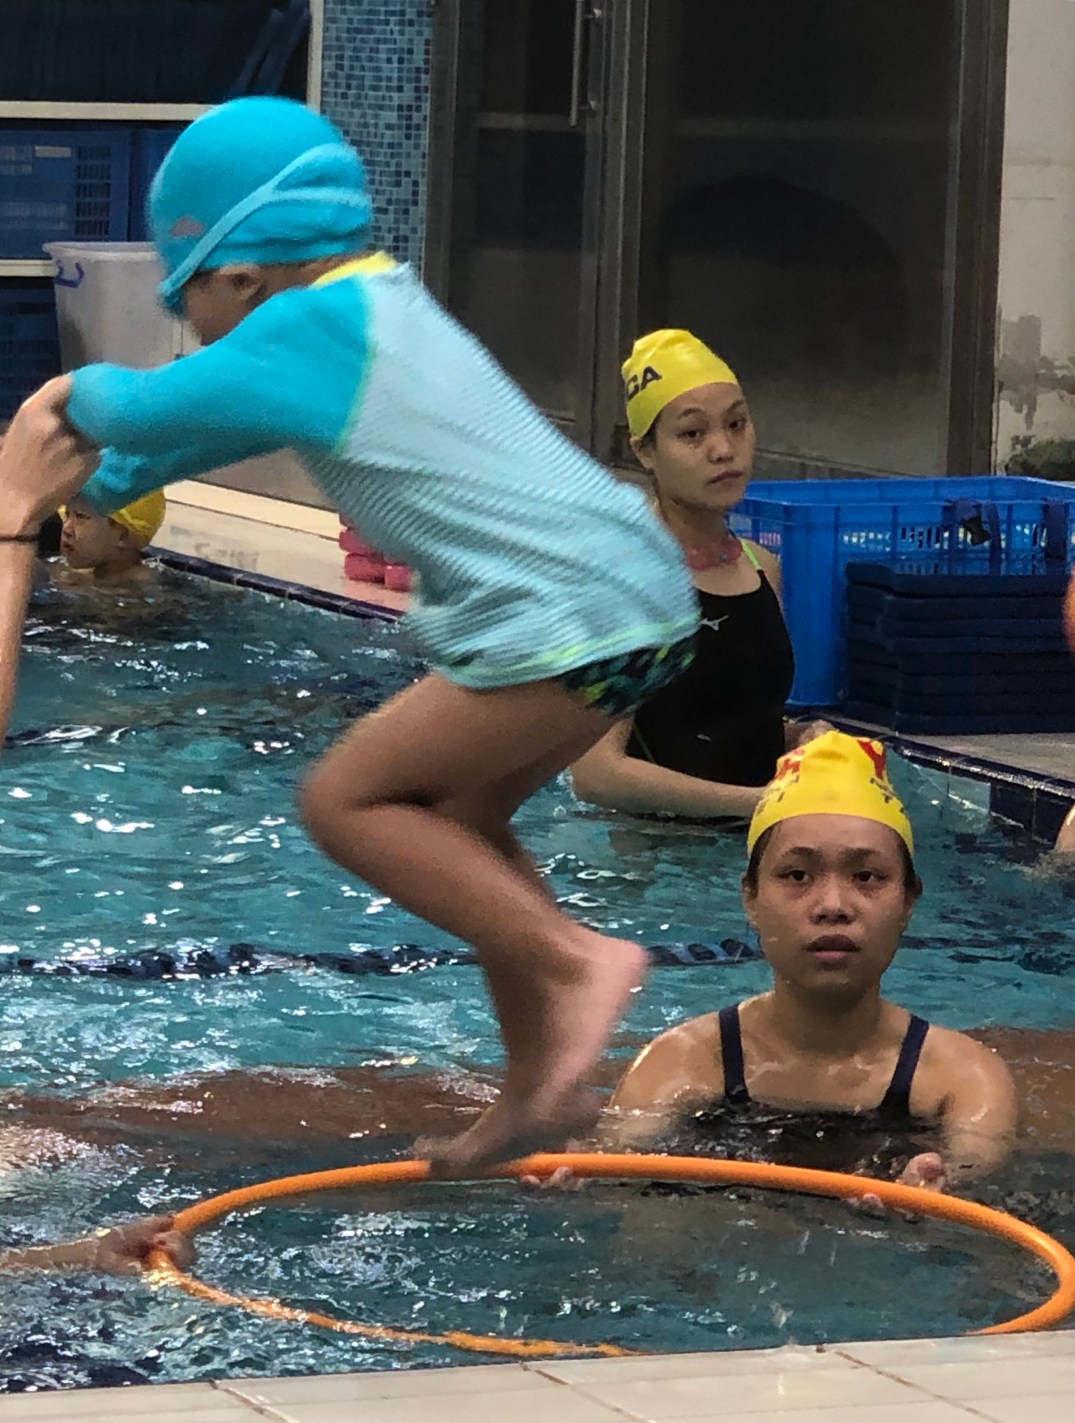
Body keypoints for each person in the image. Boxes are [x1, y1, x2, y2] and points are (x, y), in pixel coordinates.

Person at [0, 96, 699, 1174]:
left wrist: (57, 399)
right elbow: (187, 438)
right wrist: (106, 479)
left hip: (559, 612)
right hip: (638, 596)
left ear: (241, 276)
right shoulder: (373, 307)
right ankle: (536, 1090)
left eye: (191, 302)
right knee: (463, 821)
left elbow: (140, 409)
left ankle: (573, 959)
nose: (197, 331)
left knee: (345, 799)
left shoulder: (304, 328)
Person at [589, 732, 1019, 1196]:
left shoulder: (963, 1082)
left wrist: (940, 1190)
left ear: (908, 901)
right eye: (797, 875)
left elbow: (975, 1192)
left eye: (866, 876)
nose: (832, 905)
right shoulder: (679, 1066)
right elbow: (615, 1188)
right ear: (750, 897)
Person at [571, 330, 825, 824]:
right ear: (645, 451)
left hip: (750, 845)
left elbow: (729, 725)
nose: (724, 449)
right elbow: (596, 775)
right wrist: (762, 805)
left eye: (736, 424)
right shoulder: (624, 582)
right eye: (692, 434)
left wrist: (803, 740)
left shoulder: (761, 567)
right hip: (654, 857)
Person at [55, 490, 167, 587]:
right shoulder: (79, 575)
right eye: (67, 514)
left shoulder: (144, 588)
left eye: (80, 516)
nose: (66, 529)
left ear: (122, 536)